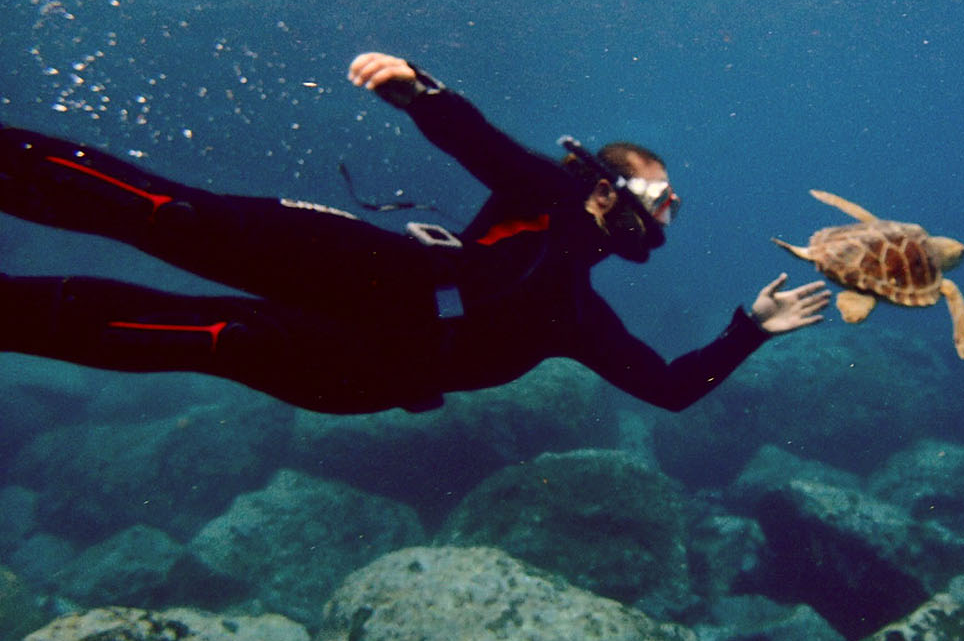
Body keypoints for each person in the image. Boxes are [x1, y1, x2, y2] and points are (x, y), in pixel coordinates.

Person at [0, 52, 828, 414]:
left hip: (362, 370)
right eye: (665, 194)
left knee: (214, 332)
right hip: (367, 272)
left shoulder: (580, 317)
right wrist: (416, 90)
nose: (673, 211)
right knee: (176, 218)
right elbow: (484, 143)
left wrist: (750, 329)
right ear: (607, 185)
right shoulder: (546, 192)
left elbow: (671, 388)